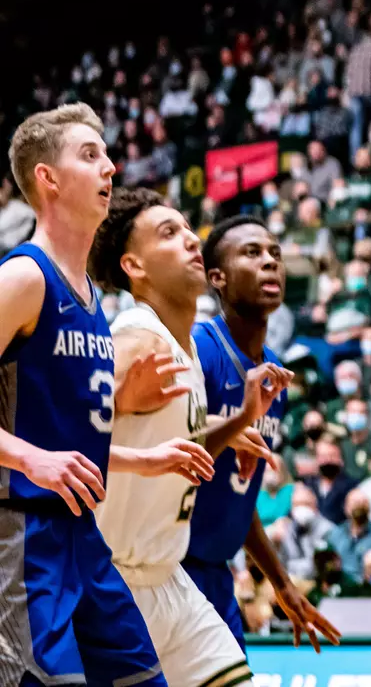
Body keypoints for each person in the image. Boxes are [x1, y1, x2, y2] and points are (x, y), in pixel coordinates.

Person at [0, 104, 217, 687]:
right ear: (48, 178)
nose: (111, 167)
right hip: (21, 535)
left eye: (107, 154)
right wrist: (30, 460)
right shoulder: (23, 278)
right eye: (90, 155)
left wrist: (143, 459)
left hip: (82, 535)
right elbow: (42, 455)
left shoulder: (93, 299)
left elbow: (61, 440)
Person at [88, 188, 293, 687]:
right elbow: (56, 441)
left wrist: (239, 421)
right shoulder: (136, 335)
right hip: (113, 579)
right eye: (168, 233)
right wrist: (114, 402)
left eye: (186, 229)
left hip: (168, 579)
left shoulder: (188, 351)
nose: (190, 239)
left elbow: (172, 439)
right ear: (134, 266)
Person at [184, 215, 342, 653]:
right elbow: (170, 452)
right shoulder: (197, 350)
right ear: (217, 277)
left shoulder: (275, 372)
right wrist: (238, 420)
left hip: (215, 574)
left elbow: (241, 496)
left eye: (275, 253)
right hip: (169, 568)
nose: (270, 262)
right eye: (252, 253)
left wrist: (281, 582)